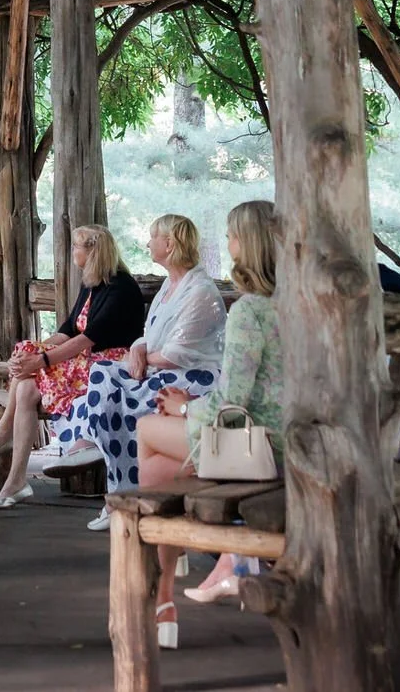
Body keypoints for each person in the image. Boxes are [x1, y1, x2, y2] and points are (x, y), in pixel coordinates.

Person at [94, 199, 286, 644]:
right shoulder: (303, 302)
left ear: (250, 246)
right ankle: (196, 572)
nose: (229, 243)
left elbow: (232, 397)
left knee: (147, 429)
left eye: (234, 236)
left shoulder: (251, 311)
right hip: (294, 435)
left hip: (260, 444)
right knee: (160, 468)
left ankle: (166, 588)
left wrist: (183, 407)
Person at [0, 223, 145, 506]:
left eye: (76, 246)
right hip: (85, 358)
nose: (72, 251)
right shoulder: (91, 284)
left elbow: (88, 339)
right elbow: (67, 331)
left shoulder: (120, 287)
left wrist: (40, 360)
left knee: (28, 378)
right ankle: (16, 480)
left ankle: (5, 435)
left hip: (108, 365)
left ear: (93, 250)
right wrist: (33, 351)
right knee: (26, 382)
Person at [50, 212, 224, 489]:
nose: (148, 243)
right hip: (160, 368)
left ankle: (109, 471)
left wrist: (135, 358)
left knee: (111, 379)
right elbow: (148, 336)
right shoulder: (171, 284)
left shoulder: (199, 292)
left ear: (169, 244)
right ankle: (104, 468)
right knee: (104, 372)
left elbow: (172, 356)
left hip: (189, 376)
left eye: (153, 237)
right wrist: (137, 350)